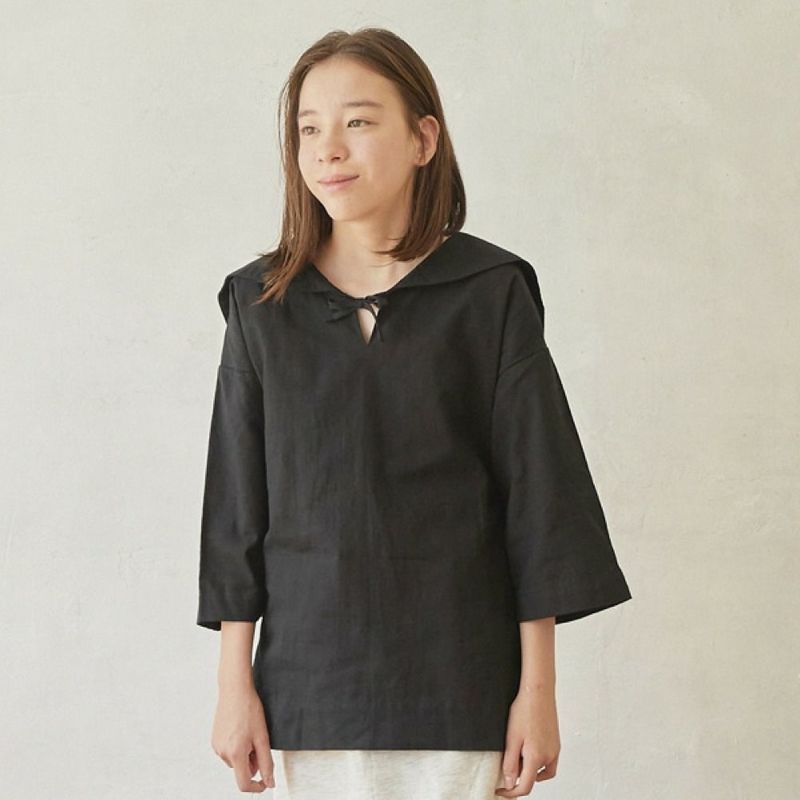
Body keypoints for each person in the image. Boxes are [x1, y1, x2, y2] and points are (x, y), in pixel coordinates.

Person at [196, 27, 632, 800]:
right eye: (308, 129)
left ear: (423, 139)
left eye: (358, 121)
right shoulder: (261, 306)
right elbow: (237, 512)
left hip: (462, 685)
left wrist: (537, 693)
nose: (329, 149)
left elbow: (539, 502)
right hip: (311, 689)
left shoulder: (490, 293)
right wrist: (235, 687)